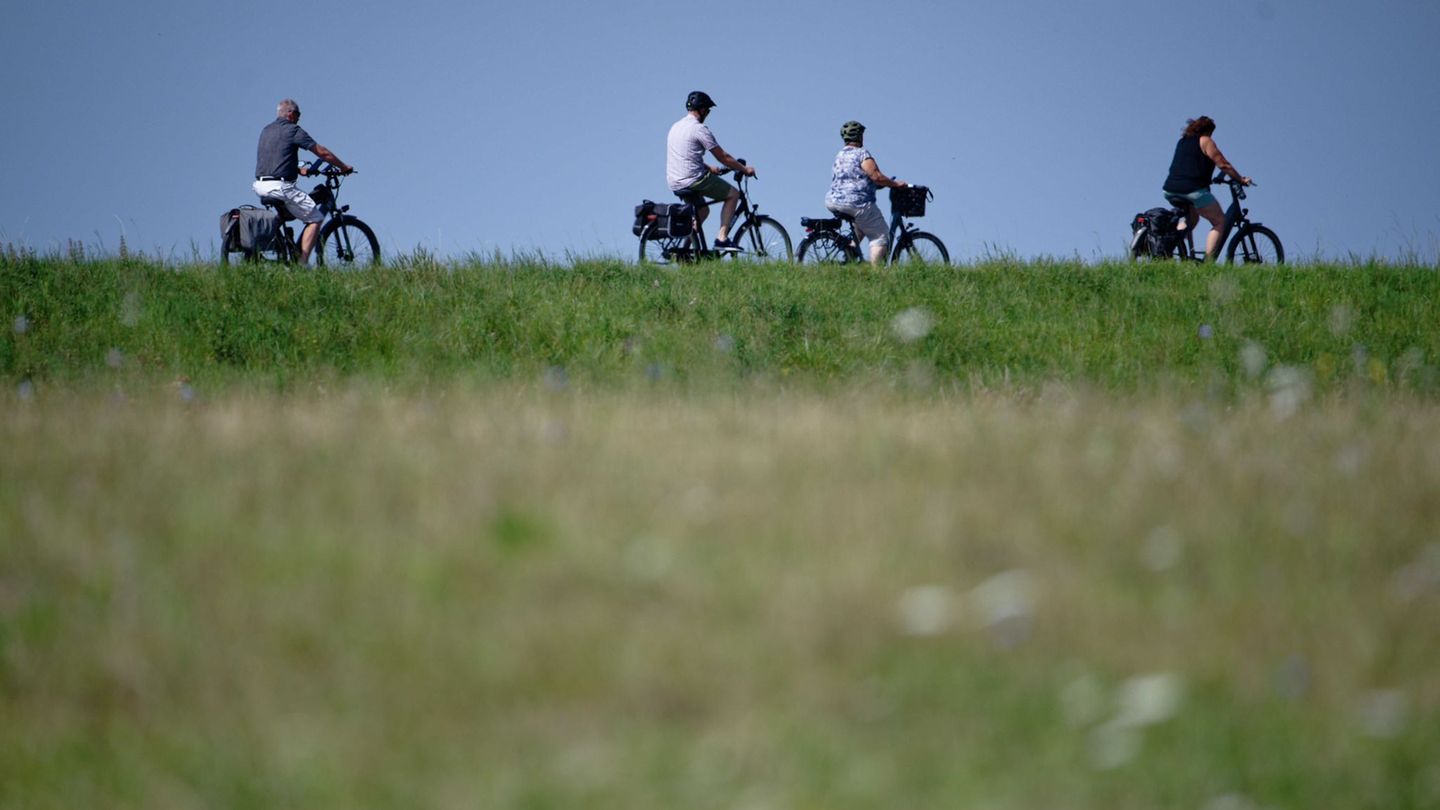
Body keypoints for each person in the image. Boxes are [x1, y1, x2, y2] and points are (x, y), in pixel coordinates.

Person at [253, 98, 353, 264]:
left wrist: (300, 170)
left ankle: (276, 243)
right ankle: (302, 264)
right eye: (298, 115)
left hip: (261, 185)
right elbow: (322, 152)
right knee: (315, 217)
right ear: (290, 114)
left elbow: (274, 159)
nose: (299, 118)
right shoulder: (293, 130)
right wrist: (343, 166)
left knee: (288, 213)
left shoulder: (266, 130)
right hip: (280, 186)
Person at [666, 91, 755, 252]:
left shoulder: (676, 127)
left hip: (675, 181)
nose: (708, 114)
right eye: (707, 110)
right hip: (693, 180)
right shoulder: (699, 129)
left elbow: (686, 156)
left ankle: (684, 250)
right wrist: (744, 169)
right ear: (702, 109)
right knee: (733, 194)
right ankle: (722, 239)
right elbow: (723, 156)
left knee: (703, 210)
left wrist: (708, 168)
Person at [1161, 116, 1251, 261]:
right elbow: (1223, 164)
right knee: (1219, 221)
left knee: (1193, 218)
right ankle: (1208, 263)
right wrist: (1240, 179)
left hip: (1170, 189)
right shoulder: (1205, 141)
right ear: (1208, 130)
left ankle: (1170, 244)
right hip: (1192, 190)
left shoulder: (1182, 142)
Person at [824, 120, 909, 267]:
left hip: (833, 201)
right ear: (860, 136)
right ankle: (876, 274)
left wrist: (877, 185)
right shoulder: (862, 153)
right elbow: (876, 176)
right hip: (855, 203)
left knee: (863, 223)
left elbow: (855, 178)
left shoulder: (840, 155)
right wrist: (895, 184)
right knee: (880, 235)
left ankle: (850, 251)